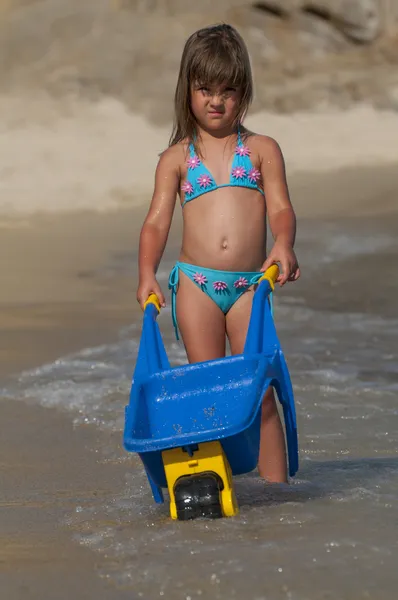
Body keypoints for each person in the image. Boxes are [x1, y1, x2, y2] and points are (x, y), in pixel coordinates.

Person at [136, 23, 300, 483]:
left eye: (228, 90)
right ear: (187, 90)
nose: (216, 100)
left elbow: (282, 209)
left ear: (243, 92)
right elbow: (156, 221)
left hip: (251, 286)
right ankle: (216, 489)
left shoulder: (263, 150)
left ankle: (276, 497)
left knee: (260, 395)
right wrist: (147, 273)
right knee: (208, 395)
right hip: (197, 286)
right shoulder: (176, 159)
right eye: (205, 89)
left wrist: (283, 243)